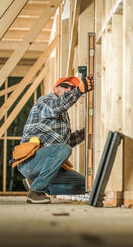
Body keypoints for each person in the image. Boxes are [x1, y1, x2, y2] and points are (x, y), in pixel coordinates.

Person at [15, 75, 94, 204]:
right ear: (55, 88)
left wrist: (87, 131)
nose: (69, 89)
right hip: (31, 161)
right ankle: (36, 191)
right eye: (65, 86)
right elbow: (54, 108)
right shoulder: (45, 101)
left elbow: (67, 142)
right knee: (64, 149)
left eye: (72, 87)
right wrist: (79, 90)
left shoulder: (63, 115)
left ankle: (37, 183)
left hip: (46, 163)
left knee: (86, 184)